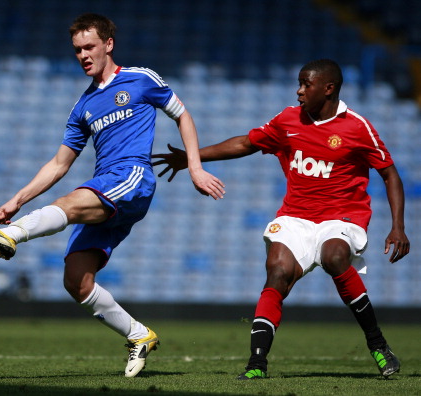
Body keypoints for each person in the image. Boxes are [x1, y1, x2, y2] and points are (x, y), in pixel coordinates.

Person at [0, 13, 224, 377]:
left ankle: (9, 236)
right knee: (76, 280)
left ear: (108, 45)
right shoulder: (82, 108)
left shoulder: (141, 80)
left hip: (132, 178)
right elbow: (58, 164)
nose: (83, 55)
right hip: (105, 187)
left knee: (67, 204)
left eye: (89, 47)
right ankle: (138, 335)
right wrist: (17, 199)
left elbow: (183, 115)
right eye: (77, 50)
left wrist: (194, 166)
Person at [152, 59, 409, 379]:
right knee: (278, 270)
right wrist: (192, 157)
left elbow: (390, 174)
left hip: (342, 216)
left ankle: (378, 344)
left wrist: (397, 226)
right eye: (299, 84)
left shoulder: (357, 127)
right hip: (296, 216)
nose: (299, 91)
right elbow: (246, 143)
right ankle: (257, 363)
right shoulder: (288, 120)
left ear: (328, 89)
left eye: (306, 84)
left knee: (334, 255)